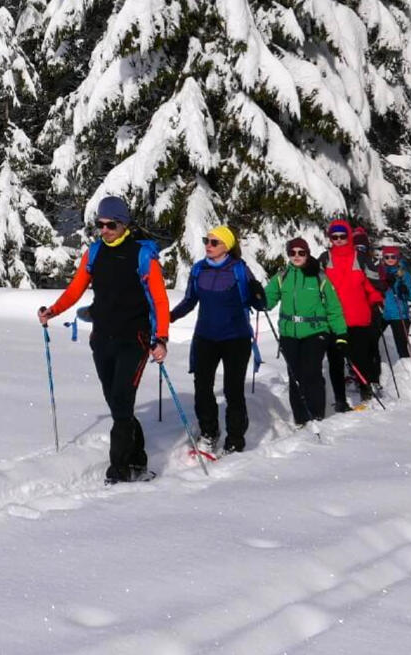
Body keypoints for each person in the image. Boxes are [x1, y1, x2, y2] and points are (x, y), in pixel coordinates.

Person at [38, 196, 171, 483]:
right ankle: (137, 459)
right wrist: (53, 310)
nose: (105, 229)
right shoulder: (95, 253)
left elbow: (160, 301)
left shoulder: (142, 254)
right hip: (102, 339)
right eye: (100, 224)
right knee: (116, 403)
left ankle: (119, 471)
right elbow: (75, 289)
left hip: (134, 339)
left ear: (124, 224)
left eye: (111, 224)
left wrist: (161, 338)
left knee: (122, 402)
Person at [168, 226, 265, 455]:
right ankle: (209, 432)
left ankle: (235, 439)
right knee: (202, 389)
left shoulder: (239, 269)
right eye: (206, 241)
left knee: (233, 390)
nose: (208, 246)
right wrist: (169, 317)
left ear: (227, 247)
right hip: (205, 338)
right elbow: (190, 301)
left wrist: (258, 292)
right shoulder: (199, 269)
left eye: (214, 242)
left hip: (236, 339)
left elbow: (260, 304)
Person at [262, 237, 347, 434]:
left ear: (307, 254)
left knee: (311, 372)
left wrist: (341, 334)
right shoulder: (282, 276)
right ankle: (301, 419)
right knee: (295, 375)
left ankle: (316, 414)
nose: (297, 256)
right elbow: (267, 301)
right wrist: (257, 295)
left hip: (315, 331)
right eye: (293, 253)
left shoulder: (319, 277)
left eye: (301, 252)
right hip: (289, 333)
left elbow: (333, 307)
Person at [321, 219, 385, 409]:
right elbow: (314, 284)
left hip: (358, 316)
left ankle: (366, 391)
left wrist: (376, 297)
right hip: (334, 318)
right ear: (330, 238)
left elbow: (374, 281)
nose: (339, 240)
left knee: (361, 357)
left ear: (348, 236)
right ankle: (340, 399)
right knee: (335, 361)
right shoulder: (325, 259)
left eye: (342, 236)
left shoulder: (360, 258)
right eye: (335, 236)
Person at [378, 244, 411, 361]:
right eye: (387, 257)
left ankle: (407, 370)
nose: (390, 259)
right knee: (371, 339)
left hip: (399, 314)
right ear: (383, 258)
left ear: (397, 258)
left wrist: (405, 289)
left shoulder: (403, 273)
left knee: (402, 348)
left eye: (393, 257)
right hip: (384, 314)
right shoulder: (380, 273)